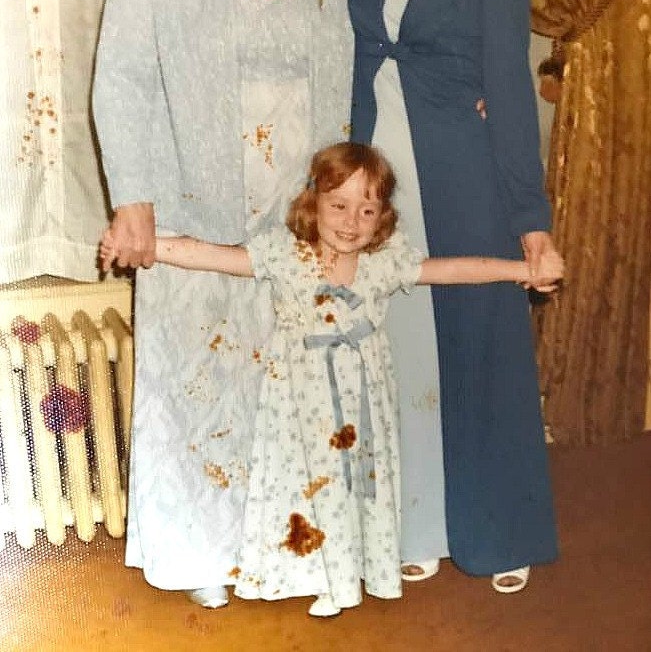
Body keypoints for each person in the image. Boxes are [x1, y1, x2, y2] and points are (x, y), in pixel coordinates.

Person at [92, 0, 353, 609]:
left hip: (293, 212)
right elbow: (121, 77)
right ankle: (203, 550)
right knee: (202, 371)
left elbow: (343, 82)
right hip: (195, 207)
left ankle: (291, 546)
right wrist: (132, 199)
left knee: (290, 380)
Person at [99, 142, 564, 617]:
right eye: (338, 206)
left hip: (362, 401)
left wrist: (519, 271)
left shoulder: (383, 261)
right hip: (298, 399)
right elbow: (211, 256)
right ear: (313, 201)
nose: (350, 222)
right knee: (303, 485)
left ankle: (345, 579)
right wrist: (145, 246)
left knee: (349, 485)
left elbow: (452, 269)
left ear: (381, 215)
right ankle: (314, 574)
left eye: (367, 210)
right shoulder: (287, 256)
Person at [347, 0, 561, 593]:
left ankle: (496, 527)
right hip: (368, 184)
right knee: (392, 353)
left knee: (475, 349)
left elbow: (510, 97)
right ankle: (413, 522)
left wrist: (531, 224)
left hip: (463, 179)